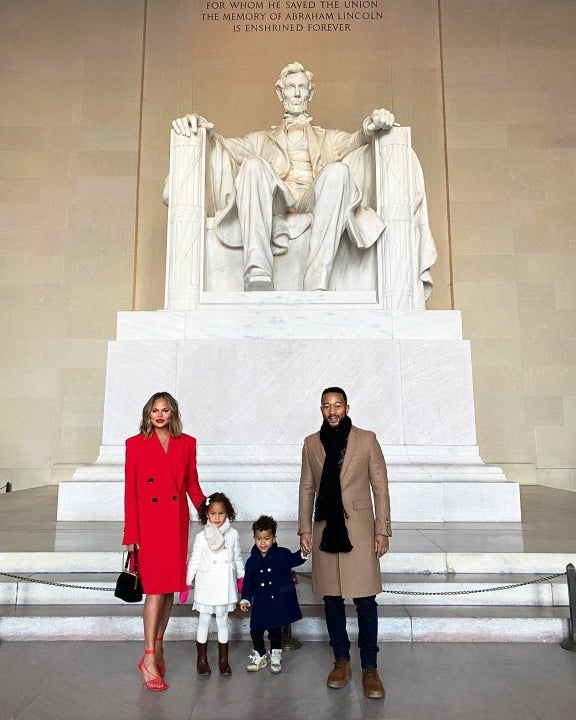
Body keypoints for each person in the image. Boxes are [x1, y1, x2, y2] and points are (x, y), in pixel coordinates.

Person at [170, 61, 397, 292]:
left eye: (302, 87)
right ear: (280, 93)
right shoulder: (260, 140)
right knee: (253, 165)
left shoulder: (328, 138)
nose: (297, 93)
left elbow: (357, 139)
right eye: (290, 87)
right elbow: (224, 145)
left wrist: (373, 123)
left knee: (338, 171)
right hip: (278, 200)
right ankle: (257, 269)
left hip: (313, 199)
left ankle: (317, 279)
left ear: (311, 92)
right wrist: (199, 126)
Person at [298, 387, 391, 699]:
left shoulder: (366, 439)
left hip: (361, 530)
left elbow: (379, 484)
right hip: (325, 527)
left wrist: (382, 529)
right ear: (321, 409)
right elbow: (307, 486)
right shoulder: (311, 443)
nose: (332, 410)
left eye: (337, 404)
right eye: (327, 406)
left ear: (347, 407)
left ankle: (370, 666)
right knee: (331, 598)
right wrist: (304, 529)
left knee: (365, 600)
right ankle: (341, 660)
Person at [123, 391, 205, 692]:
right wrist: (130, 534)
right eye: (155, 411)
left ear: (173, 414)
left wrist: (211, 511)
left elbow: (192, 485)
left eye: (165, 410)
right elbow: (130, 491)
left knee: (169, 589)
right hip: (150, 526)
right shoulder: (135, 444)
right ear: (148, 414)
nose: (159, 415)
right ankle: (147, 657)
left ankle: (159, 647)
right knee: (155, 591)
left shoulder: (187, 443)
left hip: (176, 523)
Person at [182, 492, 244, 677]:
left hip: (224, 586)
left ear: (227, 513)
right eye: (213, 514)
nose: (217, 518)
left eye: (221, 513)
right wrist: (187, 582)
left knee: (223, 621)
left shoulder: (233, 535)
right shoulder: (202, 537)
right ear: (206, 514)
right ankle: (202, 659)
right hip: (207, 585)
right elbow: (194, 560)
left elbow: (237, 557)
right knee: (204, 621)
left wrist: (242, 577)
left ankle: (223, 661)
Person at [240, 515, 308, 674]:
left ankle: (276, 656)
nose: (262, 543)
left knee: (275, 631)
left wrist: (304, 552)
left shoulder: (282, 554)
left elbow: (295, 560)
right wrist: (245, 598)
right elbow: (248, 582)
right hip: (260, 602)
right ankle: (260, 655)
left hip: (277, 601)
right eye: (259, 539)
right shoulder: (252, 561)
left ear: (274, 538)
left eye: (267, 538)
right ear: (254, 538)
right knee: (255, 629)